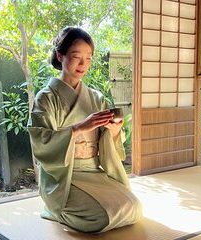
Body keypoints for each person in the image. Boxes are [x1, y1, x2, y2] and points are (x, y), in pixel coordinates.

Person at [27, 26, 142, 233]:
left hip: (94, 171)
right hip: (64, 176)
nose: (83, 64)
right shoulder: (46, 98)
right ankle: (55, 210)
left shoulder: (96, 98)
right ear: (60, 56)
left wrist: (114, 130)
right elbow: (41, 140)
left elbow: (109, 140)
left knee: (134, 208)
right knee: (100, 218)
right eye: (76, 56)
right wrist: (80, 127)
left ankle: (64, 211)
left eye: (88, 58)